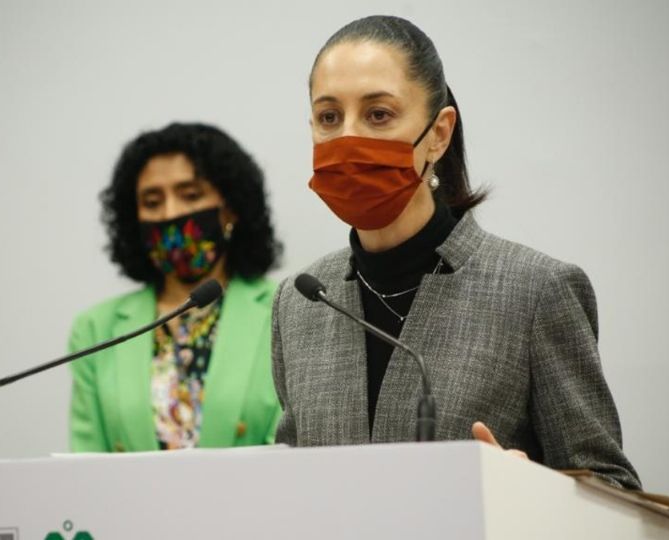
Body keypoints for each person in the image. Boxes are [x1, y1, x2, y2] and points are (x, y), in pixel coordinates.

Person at [270, 15, 641, 489]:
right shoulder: (300, 302)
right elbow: (288, 482)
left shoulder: (535, 291)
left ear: (439, 134)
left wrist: (532, 490)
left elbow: (614, 487)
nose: (348, 137)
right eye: (328, 117)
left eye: (378, 114)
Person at [69, 122, 282, 452]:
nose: (171, 213)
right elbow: (86, 466)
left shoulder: (286, 311)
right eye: (152, 202)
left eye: (191, 195)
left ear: (230, 208)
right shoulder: (97, 330)